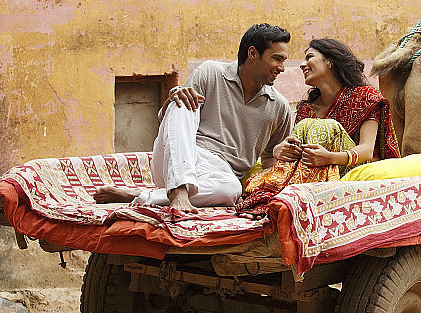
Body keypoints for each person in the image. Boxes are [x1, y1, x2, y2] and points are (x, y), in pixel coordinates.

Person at [94, 23, 293, 213]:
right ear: (253, 54)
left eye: (284, 60)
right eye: (277, 59)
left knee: (231, 190)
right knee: (183, 98)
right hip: (177, 158)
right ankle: (178, 191)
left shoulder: (279, 107)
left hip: (218, 177)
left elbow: (270, 160)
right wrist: (174, 96)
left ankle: (143, 196)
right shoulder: (210, 72)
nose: (282, 67)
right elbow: (169, 120)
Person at [234, 38, 401, 217]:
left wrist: (328, 158)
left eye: (309, 57)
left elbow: (367, 150)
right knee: (307, 125)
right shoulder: (307, 109)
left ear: (330, 61)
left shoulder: (366, 96)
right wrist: (279, 150)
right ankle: (277, 203)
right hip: (311, 172)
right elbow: (298, 155)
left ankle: (275, 203)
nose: (302, 65)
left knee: (324, 126)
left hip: (352, 167)